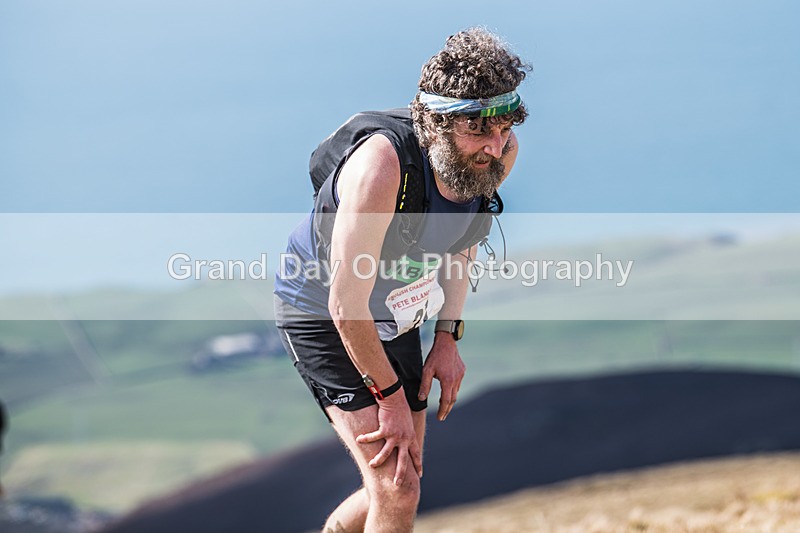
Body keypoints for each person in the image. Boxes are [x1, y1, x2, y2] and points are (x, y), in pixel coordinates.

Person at [274, 27, 529, 533]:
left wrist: (447, 336)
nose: (495, 147)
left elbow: (462, 238)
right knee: (398, 486)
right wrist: (388, 398)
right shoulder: (381, 170)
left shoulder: (498, 152)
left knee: (398, 479)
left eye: (503, 128)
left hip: (395, 309)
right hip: (324, 310)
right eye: (479, 131)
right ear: (436, 124)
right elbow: (345, 304)